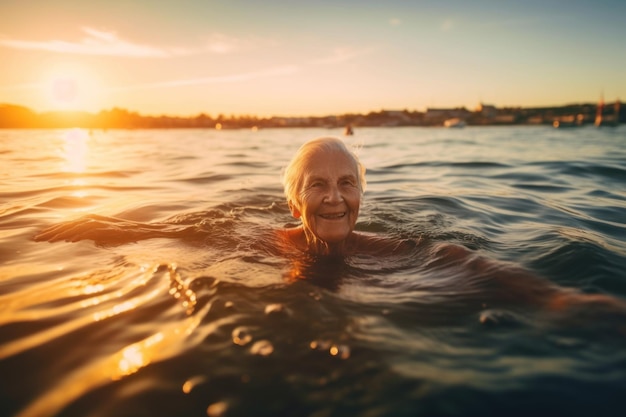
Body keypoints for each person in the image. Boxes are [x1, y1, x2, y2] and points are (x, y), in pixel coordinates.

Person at [275, 137, 626, 312]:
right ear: (294, 204)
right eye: (317, 185)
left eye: (347, 183)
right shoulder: (270, 245)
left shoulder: (381, 250)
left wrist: (554, 298)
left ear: (360, 197)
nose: (335, 197)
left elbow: (452, 258)